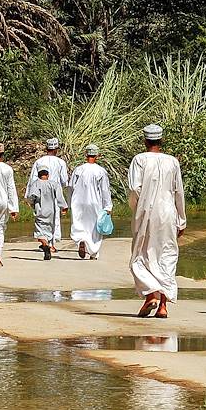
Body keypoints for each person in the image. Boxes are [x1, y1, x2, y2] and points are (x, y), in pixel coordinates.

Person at [126, 123, 186, 319]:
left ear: (145, 141)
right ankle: (163, 306)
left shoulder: (139, 160)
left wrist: (137, 209)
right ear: (161, 140)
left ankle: (151, 293)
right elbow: (178, 192)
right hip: (168, 213)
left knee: (140, 255)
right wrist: (181, 219)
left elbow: (134, 188)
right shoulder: (172, 161)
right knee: (166, 255)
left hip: (146, 212)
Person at [70, 143, 113, 260]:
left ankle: (81, 240)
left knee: (79, 223)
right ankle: (93, 252)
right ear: (97, 155)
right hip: (94, 202)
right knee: (94, 227)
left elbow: (71, 186)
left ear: (86, 155)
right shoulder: (100, 171)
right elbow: (105, 190)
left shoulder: (78, 170)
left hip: (78, 201)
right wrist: (108, 206)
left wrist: (69, 202)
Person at [28, 138, 70, 251]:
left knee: (40, 218)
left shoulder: (39, 162)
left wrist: (29, 197)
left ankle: (44, 240)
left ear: (46, 148)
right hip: (54, 194)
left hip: (39, 194)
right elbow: (64, 181)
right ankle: (51, 244)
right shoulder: (60, 162)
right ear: (56, 149)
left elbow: (32, 180)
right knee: (54, 220)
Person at [27, 166, 66, 260]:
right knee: (50, 228)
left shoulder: (36, 184)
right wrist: (63, 207)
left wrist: (31, 203)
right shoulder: (54, 184)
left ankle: (45, 244)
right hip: (51, 211)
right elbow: (59, 197)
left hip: (40, 210)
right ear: (47, 175)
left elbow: (32, 196)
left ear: (38, 175)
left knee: (40, 230)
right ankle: (49, 244)